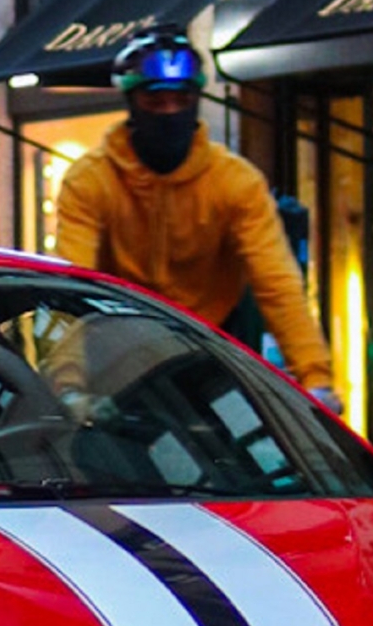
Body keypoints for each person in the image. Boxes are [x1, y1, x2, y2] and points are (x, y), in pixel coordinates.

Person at [52, 26, 340, 407]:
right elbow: (70, 285)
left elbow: (277, 283)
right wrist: (66, 387)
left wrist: (315, 377)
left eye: (182, 99)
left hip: (209, 349)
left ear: (197, 100)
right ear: (132, 103)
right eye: (156, 102)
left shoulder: (235, 182)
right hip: (118, 353)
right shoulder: (91, 180)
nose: (170, 112)